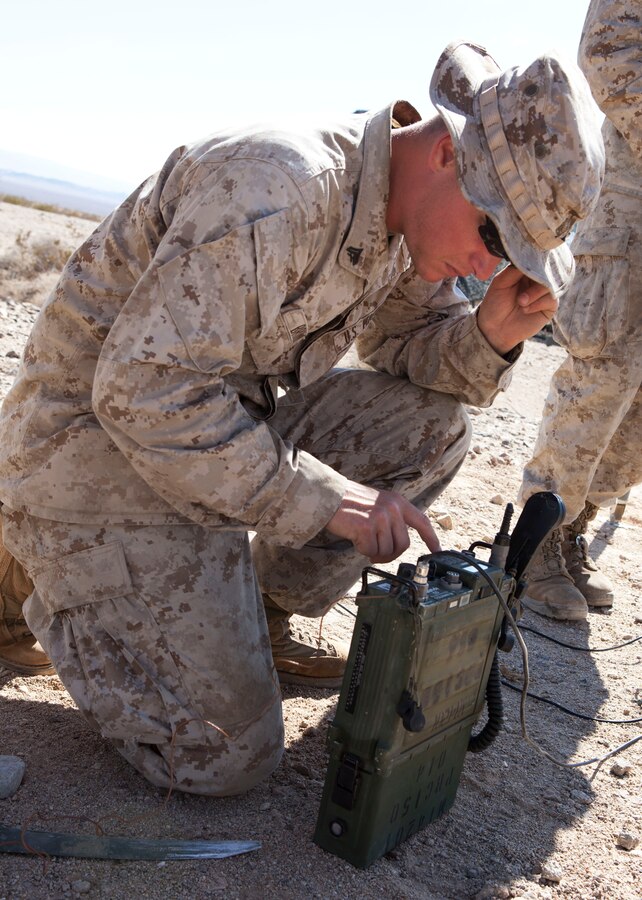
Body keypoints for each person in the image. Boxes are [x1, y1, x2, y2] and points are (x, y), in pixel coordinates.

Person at [0, 40, 603, 795]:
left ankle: (251, 614)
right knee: (225, 754)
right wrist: (323, 499)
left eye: (512, 255)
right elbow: (145, 395)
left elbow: (406, 345)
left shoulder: (400, 213)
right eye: (492, 236)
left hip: (204, 438)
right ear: (449, 153)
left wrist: (489, 333)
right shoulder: (279, 189)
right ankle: (34, 559)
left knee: (430, 428)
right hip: (91, 451)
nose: (490, 268)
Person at [519, 0, 642, 622]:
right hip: (632, 199)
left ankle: (575, 528)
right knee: (604, 373)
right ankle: (535, 541)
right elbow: (609, 46)